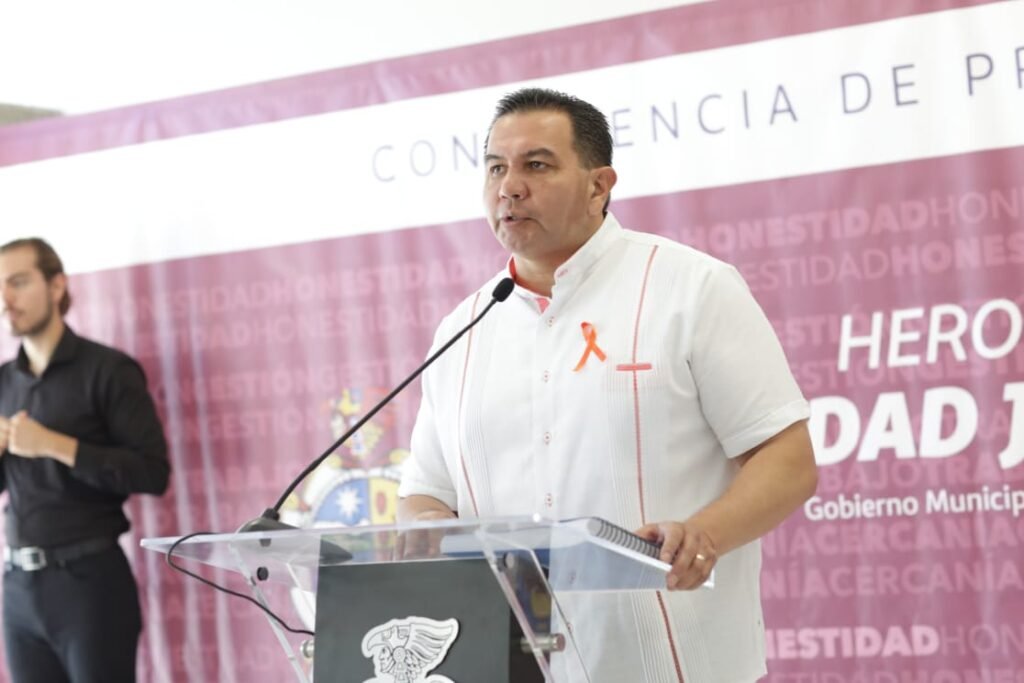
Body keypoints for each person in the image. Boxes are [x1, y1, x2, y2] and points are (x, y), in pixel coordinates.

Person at [397, 88, 818, 682]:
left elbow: (787, 460)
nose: (509, 187)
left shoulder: (692, 288)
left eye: (536, 165)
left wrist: (704, 535)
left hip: (676, 664)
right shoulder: (462, 329)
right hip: (506, 665)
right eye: (495, 168)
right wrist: (425, 533)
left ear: (599, 185)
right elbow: (425, 494)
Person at [0, 238, 170, 683]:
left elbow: (153, 473)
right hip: (18, 587)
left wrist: (54, 444)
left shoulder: (108, 370)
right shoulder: (2, 383)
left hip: (90, 585)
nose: (6, 299)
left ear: (57, 285)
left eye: (18, 282)